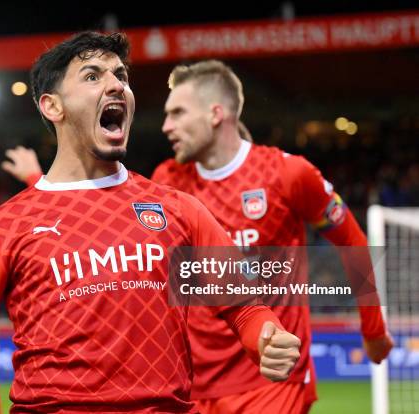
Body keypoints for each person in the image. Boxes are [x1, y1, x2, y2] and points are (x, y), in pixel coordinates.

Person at [0, 32, 301, 412]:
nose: (116, 85)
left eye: (121, 76)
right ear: (52, 106)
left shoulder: (181, 210)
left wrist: (266, 339)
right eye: (93, 76)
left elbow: (246, 308)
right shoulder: (5, 226)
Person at [152, 59, 393, 413]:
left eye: (177, 113)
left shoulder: (287, 174)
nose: (166, 126)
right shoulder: (167, 180)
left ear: (215, 113)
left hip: (273, 383)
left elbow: (352, 241)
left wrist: (373, 330)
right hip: (194, 385)